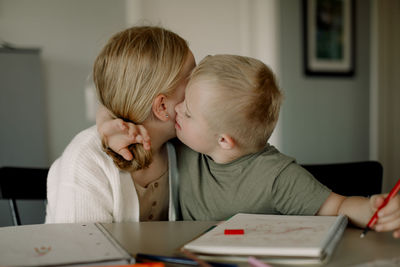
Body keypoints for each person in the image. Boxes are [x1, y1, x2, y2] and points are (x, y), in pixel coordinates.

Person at [98, 55, 400, 238]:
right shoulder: (187, 141)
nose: (177, 111)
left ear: (224, 140)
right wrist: (106, 125)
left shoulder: (278, 177)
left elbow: (338, 206)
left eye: (188, 112)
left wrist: (374, 207)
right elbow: (117, 110)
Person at [45, 26, 196, 223]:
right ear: (162, 106)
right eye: (193, 79)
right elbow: (82, 249)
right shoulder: (86, 160)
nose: (201, 86)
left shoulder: (184, 145)